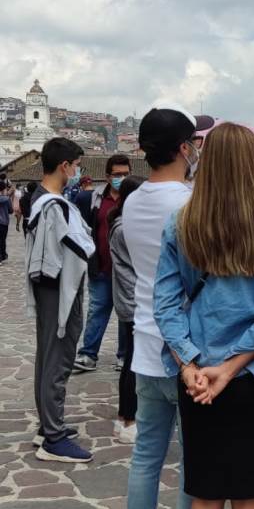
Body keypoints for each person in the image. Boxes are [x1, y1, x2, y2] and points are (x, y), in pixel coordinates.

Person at [153, 123, 254, 509]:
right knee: (249, 495)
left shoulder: (181, 224)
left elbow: (164, 306)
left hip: (198, 378)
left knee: (206, 492)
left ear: (207, 162)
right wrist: (230, 368)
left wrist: (189, 365)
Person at [123, 104, 214, 509]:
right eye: (195, 144)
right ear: (183, 148)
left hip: (144, 343)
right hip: (187, 349)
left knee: (146, 458)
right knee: (192, 464)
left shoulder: (133, 201)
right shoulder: (192, 205)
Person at [26, 137, 95, 462]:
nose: (77, 170)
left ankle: (48, 426)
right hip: (58, 291)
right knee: (58, 359)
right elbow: (80, 248)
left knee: (48, 357)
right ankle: (53, 437)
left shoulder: (41, 198)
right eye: (76, 164)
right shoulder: (52, 205)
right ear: (64, 166)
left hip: (50, 290)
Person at [74, 155, 132, 373]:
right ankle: (88, 354)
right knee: (97, 309)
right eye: (117, 175)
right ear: (108, 176)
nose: (122, 178)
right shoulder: (94, 198)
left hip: (127, 268)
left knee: (126, 312)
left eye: (125, 174)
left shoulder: (135, 198)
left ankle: (125, 356)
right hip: (101, 266)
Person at [108, 175, 145, 444]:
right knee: (133, 361)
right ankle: (129, 418)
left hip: (129, 300)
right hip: (134, 302)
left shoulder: (121, 224)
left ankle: (124, 416)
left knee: (131, 359)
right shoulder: (124, 229)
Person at [0, 184, 12, 263]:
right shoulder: (7, 199)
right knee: (2, 240)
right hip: (3, 222)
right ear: (3, 189)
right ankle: (2, 255)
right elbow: (11, 211)